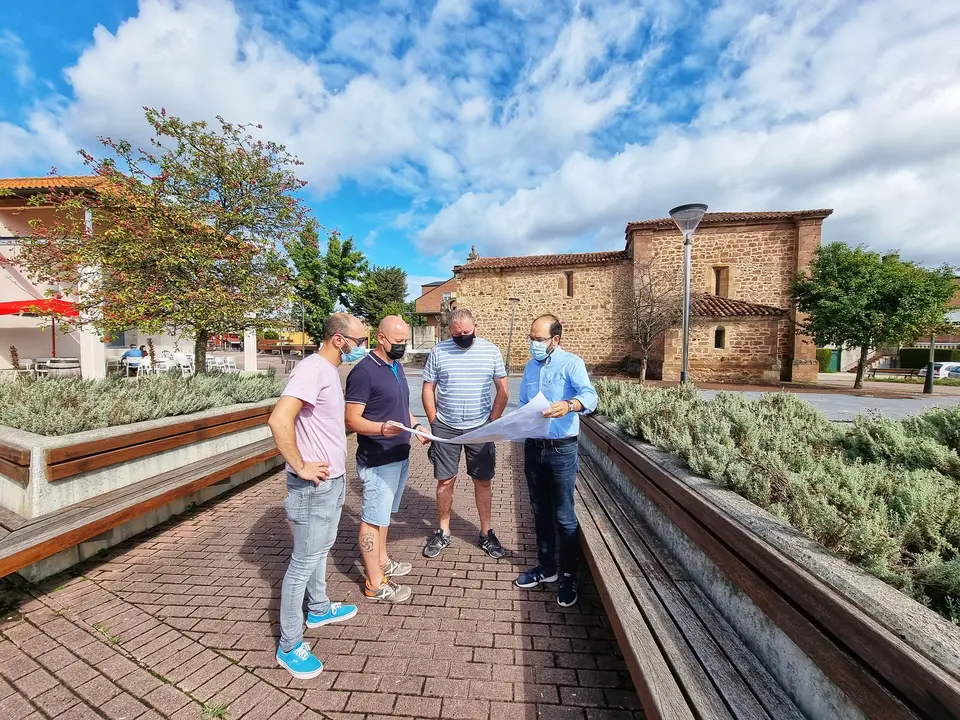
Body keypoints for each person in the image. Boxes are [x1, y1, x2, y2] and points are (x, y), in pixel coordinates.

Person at [268, 312, 367, 679]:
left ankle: (320, 608)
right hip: (313, 485)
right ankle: (289, 645)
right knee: (303, 562)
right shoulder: (311, 369)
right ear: (339, 340)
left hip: (333, 480)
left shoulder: (329, 371)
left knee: (321, 549)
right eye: (359, 341)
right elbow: (279, 419)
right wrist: (300, 465)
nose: (363, 347)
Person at [514, 314, 597, 608]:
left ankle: (569, 575)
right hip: (533, 447)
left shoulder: (572, 363)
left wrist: (569, 404)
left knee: (564, 514)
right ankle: (546, 568)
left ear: (555, 340)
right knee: (539, 510)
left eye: (539, 339)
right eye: (531, 338)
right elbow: (524, 403)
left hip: (562, 448)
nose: (533, 344)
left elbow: (590, 396)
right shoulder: (529, 366)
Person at [345, 316, 428, 603]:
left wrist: (416, 428)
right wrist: (381, 428)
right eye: (398, 342)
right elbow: (352, 418)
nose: (402, 347)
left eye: (405, 341)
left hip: (399, 454)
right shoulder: (364, 372)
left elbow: (401, 408)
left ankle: (382, 562)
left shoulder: (396, 366)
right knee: (372, 518)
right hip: (378, 459)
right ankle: (374, 583)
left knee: (384, 517)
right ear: (380, 338)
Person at [421, 308, 509, 559]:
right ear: (449, 331)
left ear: (476, 327)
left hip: (480, 426)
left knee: (483, 481)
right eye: (457, 333)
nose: (462, 337)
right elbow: (428, 388)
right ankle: (443, 531)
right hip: (446, 427)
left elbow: (503, 390)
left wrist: (492, 422)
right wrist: (433, 421)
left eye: (467, 333)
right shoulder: (439, 352)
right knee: (445, 480)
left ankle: (486, 532)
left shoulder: (490, 351)